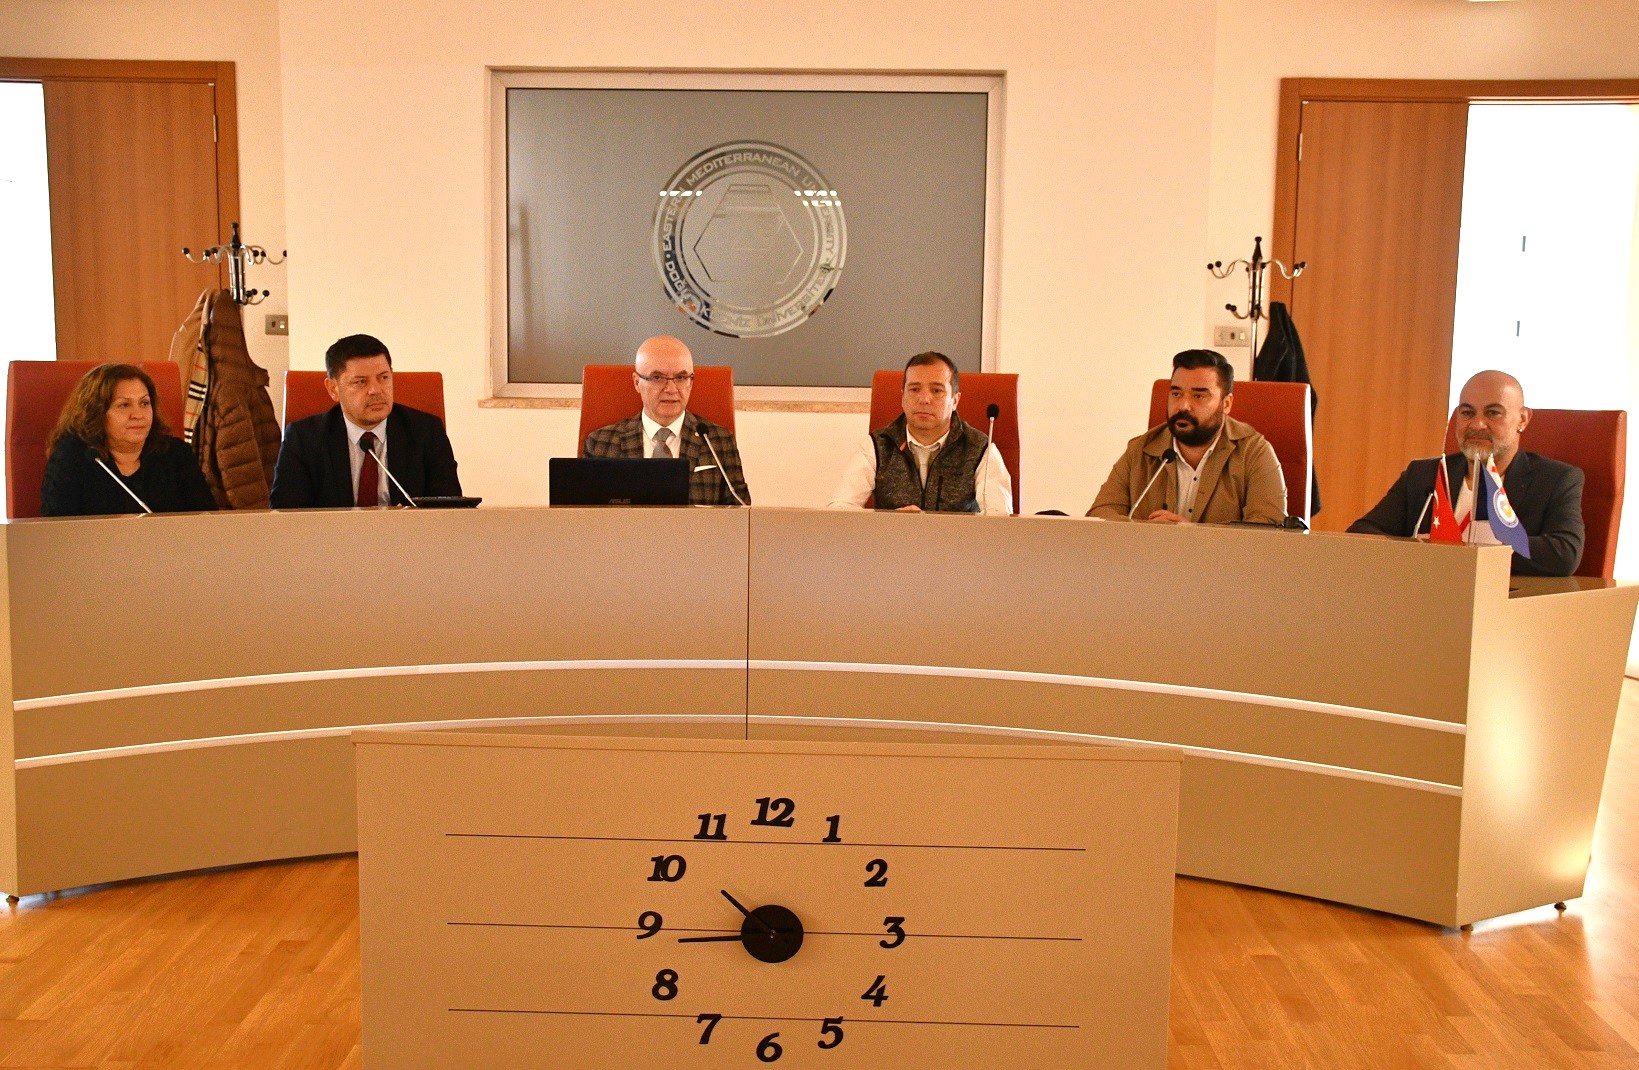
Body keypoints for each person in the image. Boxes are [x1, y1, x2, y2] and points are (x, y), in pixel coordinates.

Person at [1348, 369, 1583, 576]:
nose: (1477, 424)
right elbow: (1361, 533)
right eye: (1467, 413)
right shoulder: (1424, 474)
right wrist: (1425, 550)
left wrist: (1472, 552)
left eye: (1493, 413)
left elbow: (1564, 554)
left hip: (1501, 602)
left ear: (1522, 419)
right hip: (1423, 597)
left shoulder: (1556, 480)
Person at [1087, 349, 1285, 524]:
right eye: (1176, 394)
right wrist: (1147, 532)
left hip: (1221, 557)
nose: (1183, 406)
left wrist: (1190, 535)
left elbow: (1268, 527)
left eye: (1198, 396)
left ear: (1226, 404)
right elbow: (1100, 514)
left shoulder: (1253, 451)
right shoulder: (1140, 449)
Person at [270, 334, 462, 508]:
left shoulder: (426, 431)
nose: (376, 390)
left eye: (383, 378)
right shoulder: (303, 438)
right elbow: (287, 514)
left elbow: (449, 510)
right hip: (333, 536)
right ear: (333, 388)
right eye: (361, 381)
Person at [828, 352, 1012, 514]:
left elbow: (999, 518)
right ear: (902, 397)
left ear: (955, 401)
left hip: (958, 543)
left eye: (936, 390)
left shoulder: (980, 448)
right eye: (915, 389)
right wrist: (888, 523)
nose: (924, 399)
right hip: (893, 541)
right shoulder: (877, 445)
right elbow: (840, 509)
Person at [583, 335, 751, 506]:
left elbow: (741, 512)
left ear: (691, 382)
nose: (671, 389)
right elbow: (587, 516)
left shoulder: (718, 441)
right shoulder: (600, 444)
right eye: (657, 378)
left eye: (681, 378)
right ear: (636, 382)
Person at [41, 363, 217, 517]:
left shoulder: (175, 453)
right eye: (124, 405)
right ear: (97, 412)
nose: (138, 415)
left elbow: (206, 521)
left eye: (144, 403)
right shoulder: (72, 456)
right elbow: (57, 530)